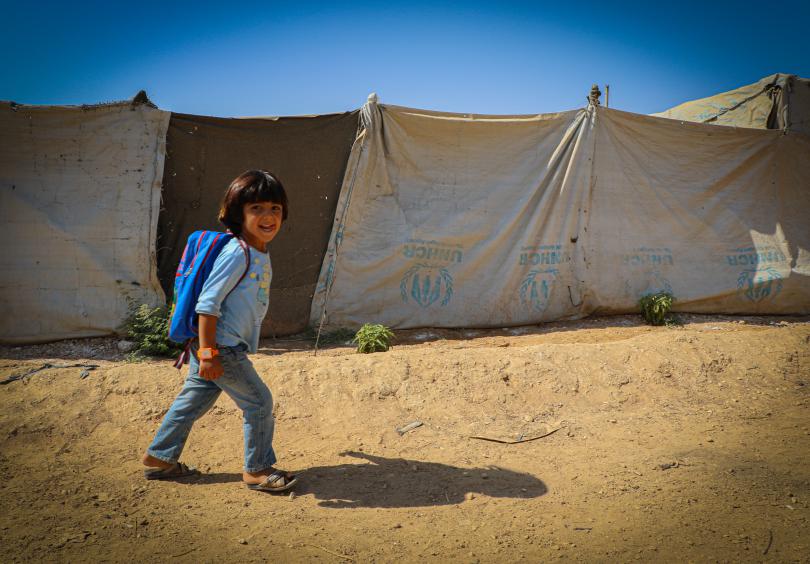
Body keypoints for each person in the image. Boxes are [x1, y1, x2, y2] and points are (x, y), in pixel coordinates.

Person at [141, 170, 297, 492]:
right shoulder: (237, 253)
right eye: (256, 209)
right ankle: (257, 469)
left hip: (211, 346)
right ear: (237, 214)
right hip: (221, 347)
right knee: (258, 403)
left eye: (275, 209)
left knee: (192, 401)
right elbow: (207, 305)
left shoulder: (257, 251)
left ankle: (160, 457)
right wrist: (210, 354)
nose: (268, 217)